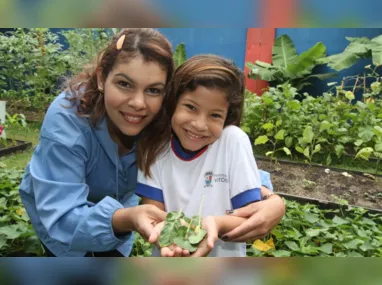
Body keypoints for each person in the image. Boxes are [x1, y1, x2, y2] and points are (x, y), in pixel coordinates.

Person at [19, 28, 283, 257]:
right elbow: (61, 215)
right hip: (62, 221)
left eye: (153, 90)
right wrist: (128, 217)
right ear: (102, 77)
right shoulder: (68, 118)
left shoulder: (168, 116)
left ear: (167, 92)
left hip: (123, 225)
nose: (138, 103)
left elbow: (222, 155)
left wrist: (271, 200)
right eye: (124, 84)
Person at [136, 54, 285, 257]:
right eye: (190, 107)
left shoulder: (233, 141)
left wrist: (215, 225)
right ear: (173, 102)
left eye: (215, 115)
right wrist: (166, 233)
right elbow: (154, 215)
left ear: (228, 117)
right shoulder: (154, 148)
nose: (199, 124)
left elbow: (252, 217)